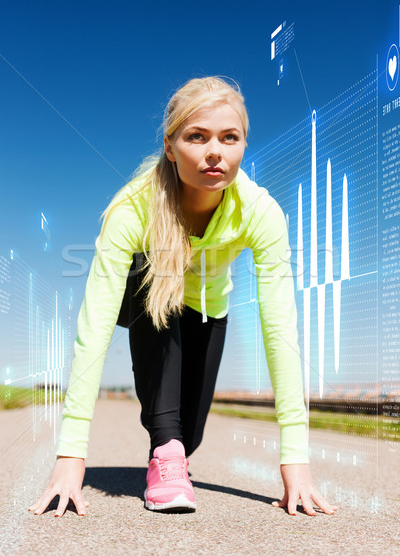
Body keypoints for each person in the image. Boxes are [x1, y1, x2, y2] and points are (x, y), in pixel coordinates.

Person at [29, 76, 337, 517]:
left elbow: (280, 330)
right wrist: (70, 456)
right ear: (171, 146)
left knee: (187, 434)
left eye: (230, 138)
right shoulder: (133, 207)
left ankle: (173, 448)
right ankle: (167, 452)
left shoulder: (261, 211)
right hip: (148, 299)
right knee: (168, 430)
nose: (216, 151)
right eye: (197, 136)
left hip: (209, 311)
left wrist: (297, 463)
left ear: (244, 145)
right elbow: (93, 328)